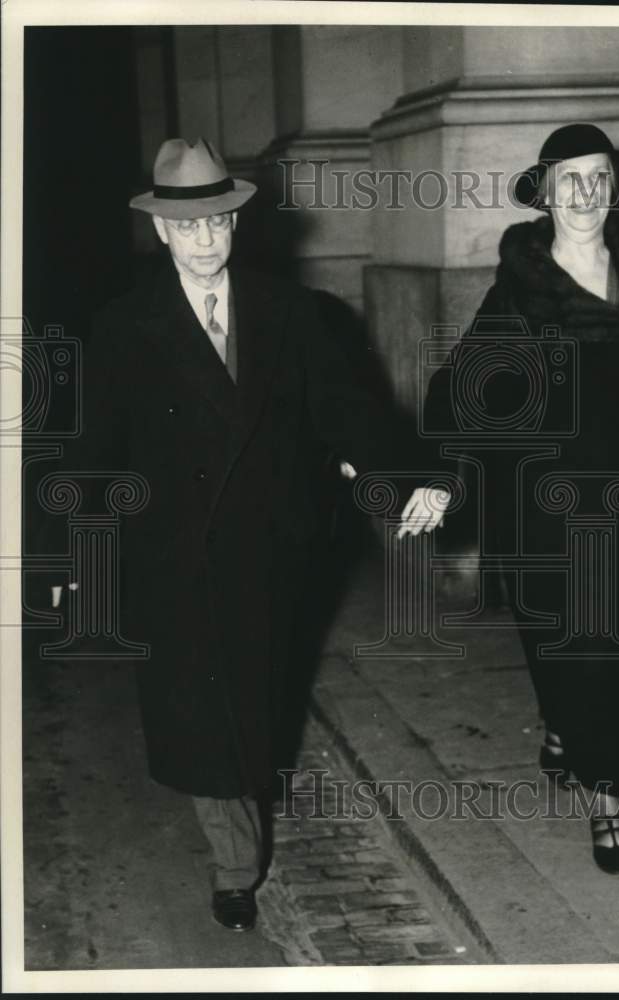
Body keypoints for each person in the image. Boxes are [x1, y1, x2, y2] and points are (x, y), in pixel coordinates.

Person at [44, 137, 409, 930]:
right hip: (171, 554)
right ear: (162, 233)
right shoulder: (122, 326)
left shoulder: (292, 312)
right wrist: (74, 553)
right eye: (189, 227)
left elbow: (345, 410)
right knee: (204, 713)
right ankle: (235, 865)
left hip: (272, 546)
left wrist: (396, 475)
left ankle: (242, 816)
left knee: (256, 704)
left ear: (235, 224)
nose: (206, 240)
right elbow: (94, 449)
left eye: (219, 223)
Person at [415, 123, 619, 874]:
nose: (584, 193)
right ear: (546, 192)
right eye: (568, 179)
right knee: (577, 643)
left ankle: (566, 730)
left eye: (598, 177)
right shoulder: (522, 284)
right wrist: (436, 472)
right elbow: (465, 387)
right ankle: (605, 803)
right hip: (546, 500)